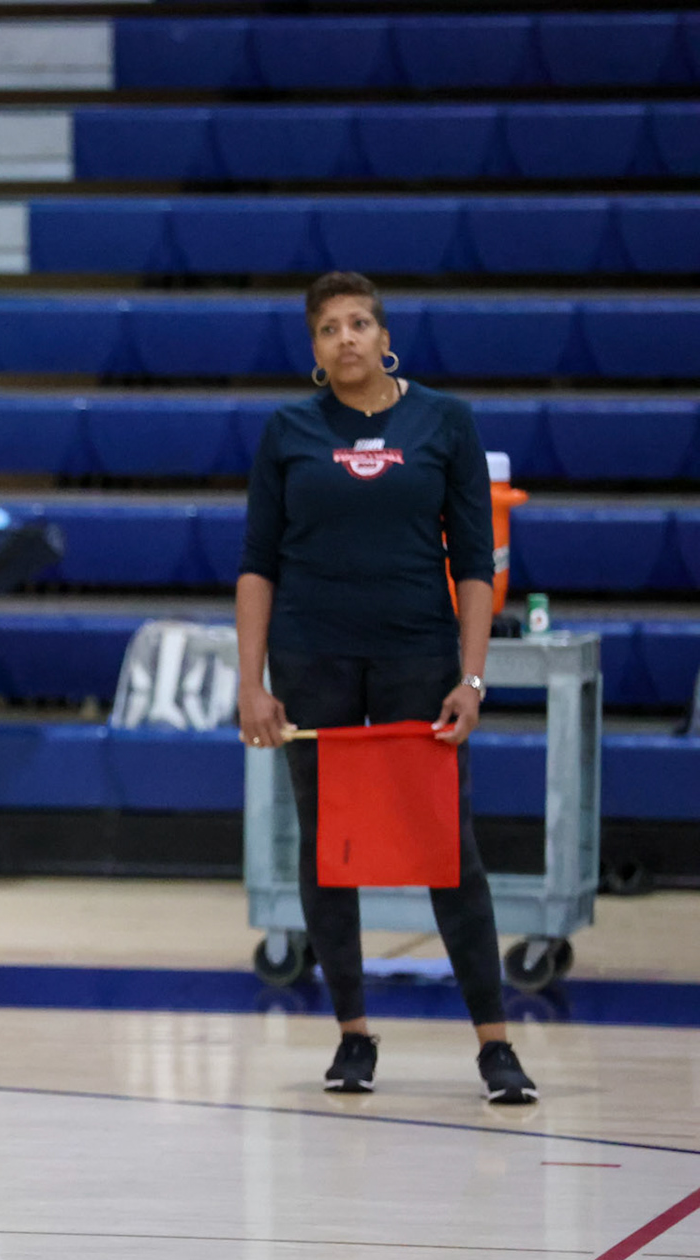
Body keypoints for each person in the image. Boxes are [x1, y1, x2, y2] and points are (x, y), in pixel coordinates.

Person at [235, 272, 538, 1105]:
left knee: (445, 844)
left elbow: (475, 564)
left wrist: (472, 676)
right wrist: (250, 682)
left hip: (416, 658)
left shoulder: (445, 420)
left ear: (384, 333)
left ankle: (496, 1046)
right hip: (312, 660)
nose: (347, 339)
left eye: (359, 322)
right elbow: (257, 564)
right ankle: (353, 1036)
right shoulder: (289, 430)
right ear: (314, 348)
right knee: (328, 849)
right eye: (329, 328)